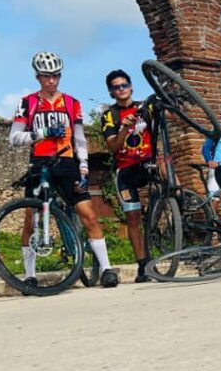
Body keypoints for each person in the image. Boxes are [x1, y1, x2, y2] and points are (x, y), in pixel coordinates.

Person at [9, 52, 118, 289]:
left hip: (67, 162)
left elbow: (79, 139)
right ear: (38, 77)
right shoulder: (27, 103)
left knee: (88, 214)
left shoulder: (71, 103)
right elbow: (14, 138)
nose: (52, 81)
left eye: (56, 76)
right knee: (32, 219)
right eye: (47, 76)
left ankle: (107, 269)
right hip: (40, 162)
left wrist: (84, 167)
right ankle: (30, 275)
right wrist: (42, 133)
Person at [100, 69, 156, 282]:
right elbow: (113, 147)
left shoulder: (145, 107)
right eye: (116, 87)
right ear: (111, 92)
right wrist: (124, 128)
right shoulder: (109, 115)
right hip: (125, 170)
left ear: (131, 86)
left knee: (165, 176)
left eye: (124, 85)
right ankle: (142, 266)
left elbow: (167, 119)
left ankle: (173, 208)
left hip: (148, 163)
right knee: (133, 218)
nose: (121, 89)